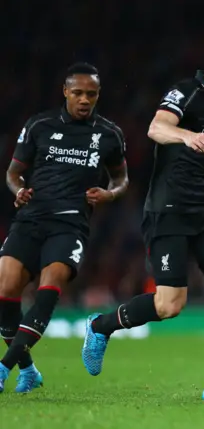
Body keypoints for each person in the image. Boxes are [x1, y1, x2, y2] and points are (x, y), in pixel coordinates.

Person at [82, 36, 204, 401]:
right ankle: (101, 326)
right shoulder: (186, 93)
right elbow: (157, 128)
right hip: (169, 210)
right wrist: (189, 136)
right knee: (169, 305)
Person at [0, 62, 129, 393]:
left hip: (70, 223)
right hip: (30, 218)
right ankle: (27, 370)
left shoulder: (109, 134)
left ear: (98, 95)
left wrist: (110, 193)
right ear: (65, 92)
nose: (85, 100)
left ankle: (2, 369)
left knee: (49, 286)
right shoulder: (39, 126)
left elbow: (121, 177)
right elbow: (13, 174)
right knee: (6, 287)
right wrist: (19, 191)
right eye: (78, 93)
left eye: (92, 94)